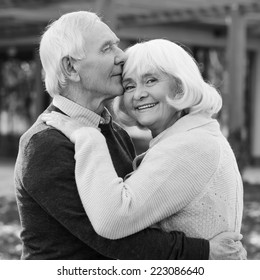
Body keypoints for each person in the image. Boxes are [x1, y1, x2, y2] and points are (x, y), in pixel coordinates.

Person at [14, 10, 245, 260]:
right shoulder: (44, 144)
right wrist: (204, 252)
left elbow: (135, 217)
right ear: (71, 67)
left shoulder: (114, 133)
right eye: (107, 48)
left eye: (117, 45)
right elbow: (109, 238)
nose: (121, 55)